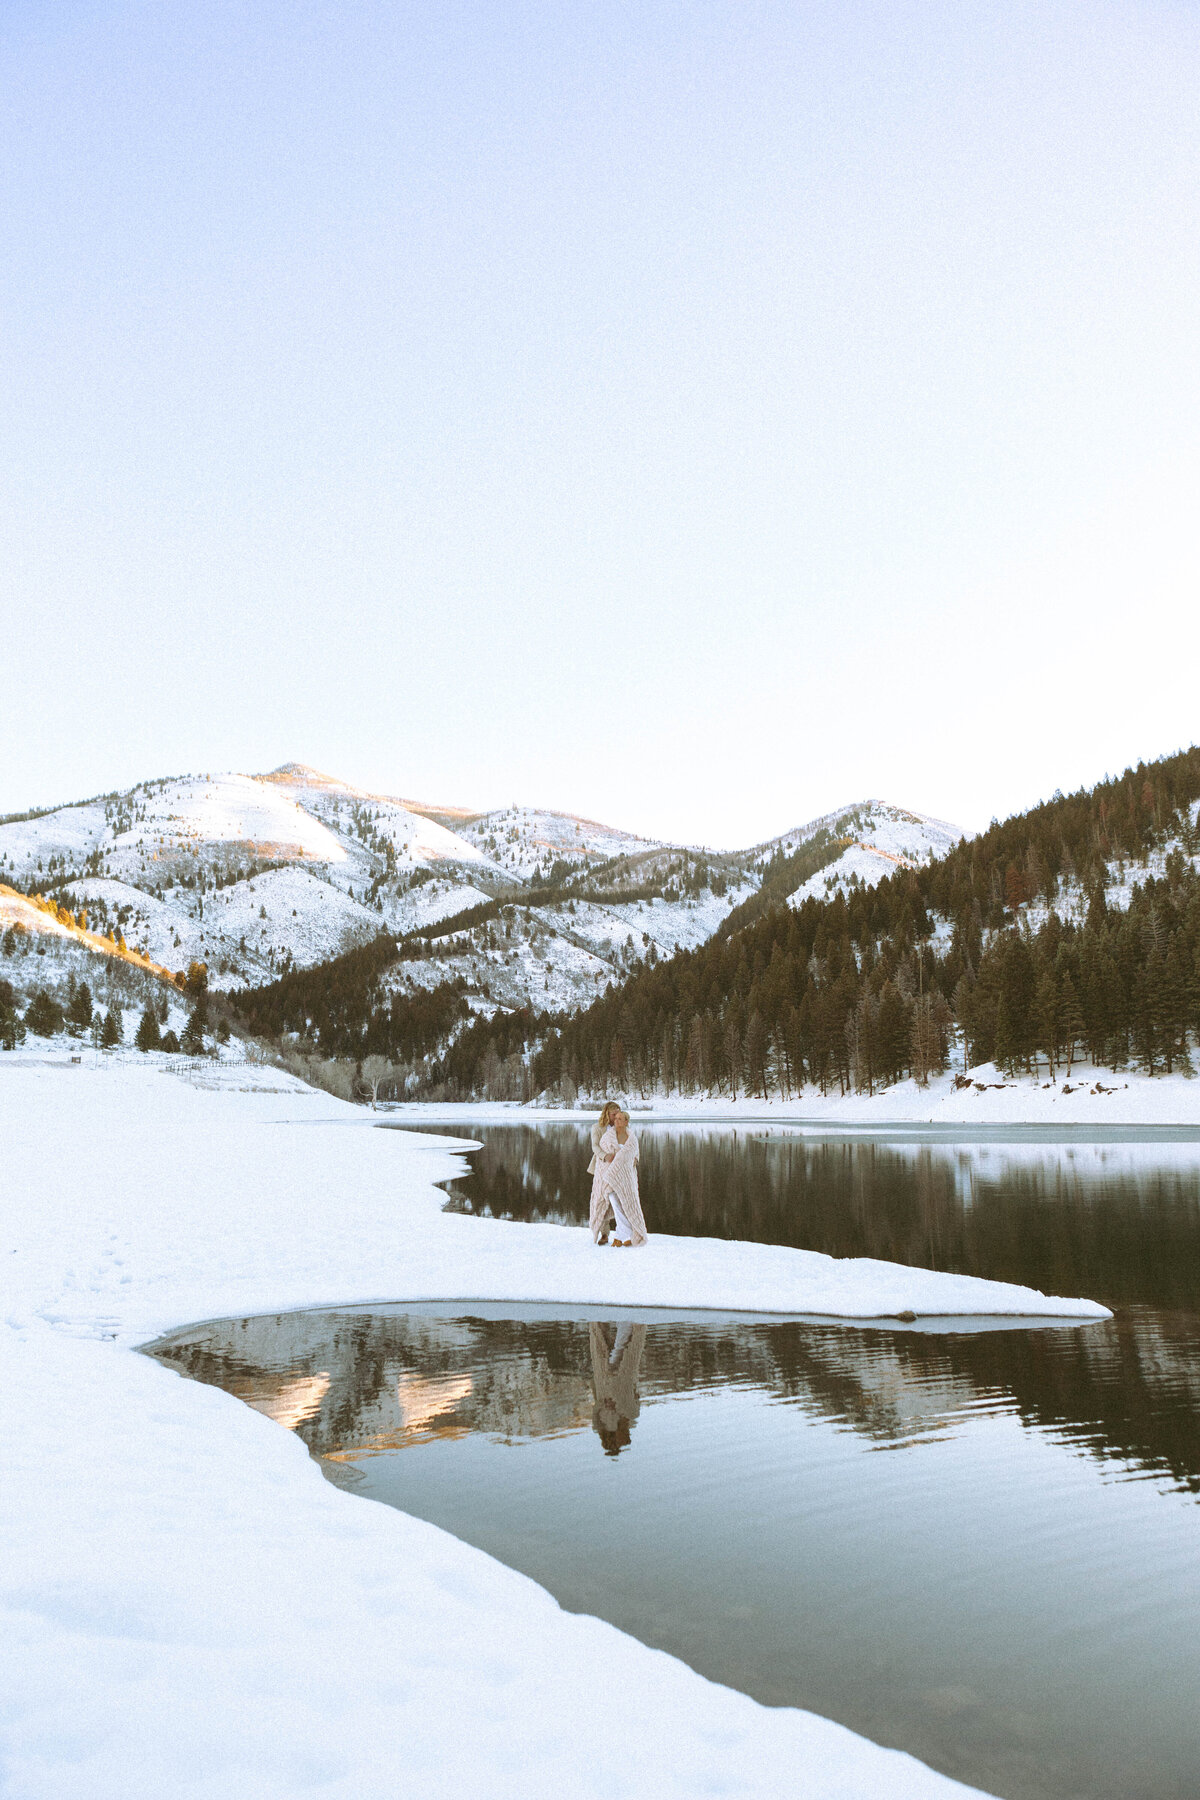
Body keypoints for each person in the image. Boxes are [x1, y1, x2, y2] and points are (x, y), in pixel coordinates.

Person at [589, 1109, 647, 1246]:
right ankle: (623, 1234)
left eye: (620, 1119)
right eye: (616, 1118)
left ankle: (625, 1235)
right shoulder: (607, 1137)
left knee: (627, 1204)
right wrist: (610, 1168)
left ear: (626, 1121)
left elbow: (635, 1156)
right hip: (609, 1177)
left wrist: (629, 1162)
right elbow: (601, 1158)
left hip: (626, 1177)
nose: (617, 1121)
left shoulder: (632, 1138)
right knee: (615, 1203)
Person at [587, 1101, 621, 1243]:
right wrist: (605, 1156)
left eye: (618, 1114)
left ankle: (623, 1233)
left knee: (619, 1201)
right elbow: (595, 1146)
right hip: (602, 1167)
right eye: (614, 1114)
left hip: (618, 1169)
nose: (616, 1117)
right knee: (601, 1200)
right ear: (607, 1114)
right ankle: (604, 1233)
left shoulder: (622, 1127)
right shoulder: (597, 1128)